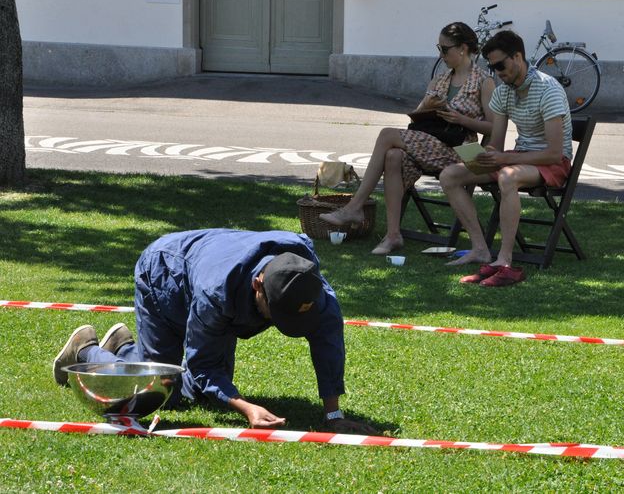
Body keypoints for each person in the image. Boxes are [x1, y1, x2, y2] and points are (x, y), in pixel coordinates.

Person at [52, 228, 377, 434]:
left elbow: (328, 339)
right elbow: (202, 364)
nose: (279, 325)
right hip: (165, 277)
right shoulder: (215, 293)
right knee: (160, 393)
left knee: (198, 392)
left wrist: (333, 414)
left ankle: (124, 348)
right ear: (258, 286)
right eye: (275, 314)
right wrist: (246, 408)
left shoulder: (306, 281)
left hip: (215, 286)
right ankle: (85, 349)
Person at [319, 22, 495, 255]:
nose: (440, 55)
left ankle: (355, 206)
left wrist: (459, 119)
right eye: (438, 48)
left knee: (386, 135)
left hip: (463, 149)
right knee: (393, 156)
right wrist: (426, 105)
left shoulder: (483, 81)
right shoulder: (440, 80)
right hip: (431, 142)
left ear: (462, 49)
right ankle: (393, 236)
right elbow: (417, 120)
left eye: (445, 49)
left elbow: (492, 126)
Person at [439, 30, 573, 287]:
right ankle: (480, 248)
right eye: (492, 66)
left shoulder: (548, 89)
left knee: (507, 176)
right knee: (450, 175)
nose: (497, 71)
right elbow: (496, 145)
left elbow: (555, 153)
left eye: (501, 64)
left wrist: (502, 160)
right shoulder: (504, 93)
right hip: (518, 157)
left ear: (518, 57)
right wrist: (482, 156)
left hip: (552, 163)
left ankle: (505, 259)